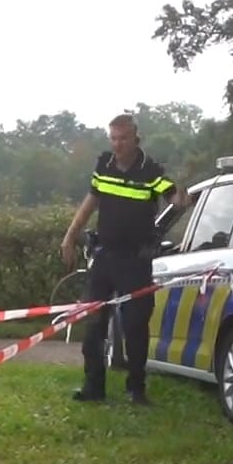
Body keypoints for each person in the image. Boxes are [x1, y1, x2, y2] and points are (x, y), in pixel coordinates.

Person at [59, 114, 187, 405]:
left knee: (135, 327)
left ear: (135, 138)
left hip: (135, 260)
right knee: (93, 325)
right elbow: (90, 202)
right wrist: (70, 235)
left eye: (123, 138)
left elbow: (173, 199)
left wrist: (181, 198)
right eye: (113, 138)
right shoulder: (104, 165)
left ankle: (136, 389)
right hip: (104, 256)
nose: (118, 145)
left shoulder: (150, 170)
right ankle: (93, 387)